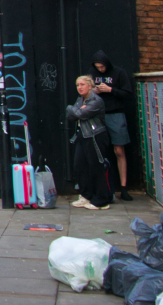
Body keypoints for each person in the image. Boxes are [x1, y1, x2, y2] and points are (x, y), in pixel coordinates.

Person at [91, 50, 134, 201]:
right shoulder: (92, 74)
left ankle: (123, 188)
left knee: (119, 150)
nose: (100, 70)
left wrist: (110, 90)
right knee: (98, 151)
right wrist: (95, 91)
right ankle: (102, 187)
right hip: (98, 114)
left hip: (116, 113)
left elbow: (128, 94)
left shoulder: (119, 73)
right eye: (98, 67)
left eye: (102, 67)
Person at [66, 75, 114, 210]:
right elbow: (71, 116)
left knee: (96, 167)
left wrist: (71, 108)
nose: (79, 87)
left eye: (82, 84)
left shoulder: (96, 100)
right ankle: (86, 195)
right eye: (77, 85)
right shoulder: (80, 99)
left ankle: (101, 200)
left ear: (90, 85)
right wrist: (75, 110)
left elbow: (81, 114)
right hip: (82, 135)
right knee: (79, 165)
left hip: (95, 136)